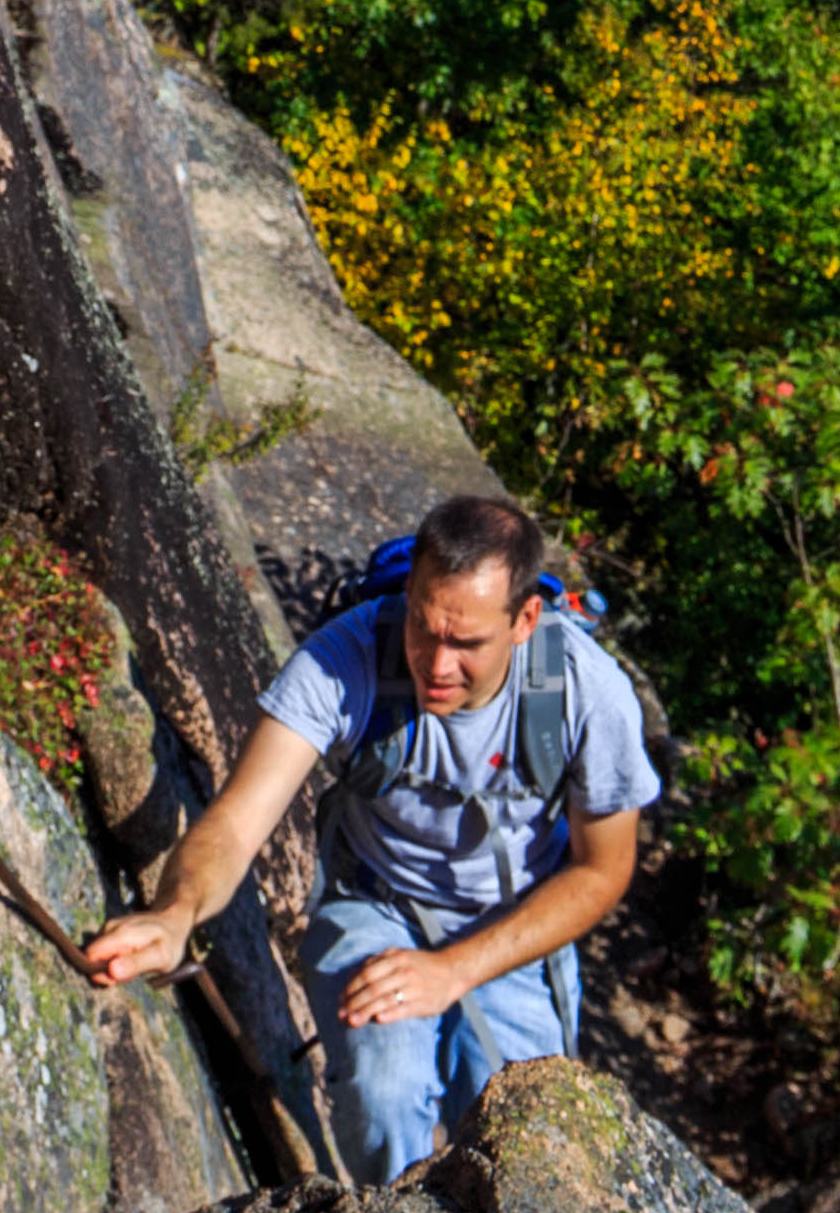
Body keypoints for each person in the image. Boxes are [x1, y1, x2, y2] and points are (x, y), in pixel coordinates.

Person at [80, 493, 661, 1179]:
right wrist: (175, 914)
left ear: (525, 620)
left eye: (466, 643)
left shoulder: (585, 692)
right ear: (409, 592)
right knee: (384, 1101)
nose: (436, 665)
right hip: (376, 905)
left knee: (523, 1149)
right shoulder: (345, 659)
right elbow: (236, 822)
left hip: (515, 925)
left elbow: (602, 871)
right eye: (422, 626)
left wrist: (452, 971)